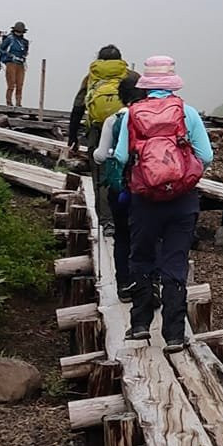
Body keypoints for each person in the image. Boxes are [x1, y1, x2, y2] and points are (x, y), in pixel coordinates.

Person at [110, 56, 213, 346]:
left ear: (146, 84)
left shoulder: (132, 113)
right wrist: (181, 172)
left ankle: (141, 324)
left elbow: (118, 156)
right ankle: (174, 334)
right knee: (175, 263)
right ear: (172, 83)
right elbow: (206, 156)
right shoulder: (187, 113)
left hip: (144, 200)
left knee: (141, 258)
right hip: (182, 200)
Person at [91, 73, 145, 300]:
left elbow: (101, 156)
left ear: (121, 96)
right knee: (146, 236)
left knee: (122, 236)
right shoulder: (151, 117)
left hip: (122, 189)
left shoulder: (113, 120)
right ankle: (147, 285)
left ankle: (124, 285)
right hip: (147, 187)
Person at [68, 45, 131, 150]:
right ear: (120, 60)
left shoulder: (91, 78)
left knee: (95, 156)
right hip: (123, 128)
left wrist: (72, 137)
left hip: (96, 127)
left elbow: (78, 108)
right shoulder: (131, 76)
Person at [0, 22, 31, 106]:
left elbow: (26, 51)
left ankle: (18, 103)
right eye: (18, 31)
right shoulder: (9, 39)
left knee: (20, 84)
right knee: (11, 84)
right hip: (11, 63)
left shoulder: (25, 42)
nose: (19, 33)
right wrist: (8, 54)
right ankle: (9, 102)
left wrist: (25, 54)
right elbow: (0, 49)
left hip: (20, 63)